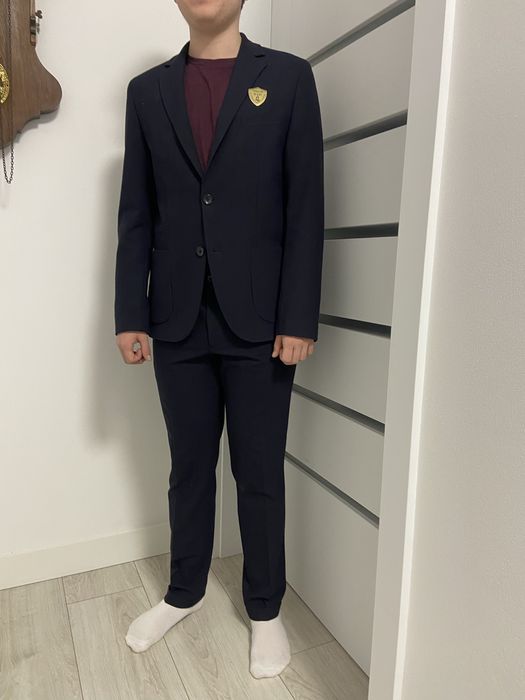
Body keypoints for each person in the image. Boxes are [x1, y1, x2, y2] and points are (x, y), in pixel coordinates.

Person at [114, 0, 324, 679]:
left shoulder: (288, 79)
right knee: (188, 467)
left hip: (261, 322)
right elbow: (136, 213)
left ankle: (264, 608)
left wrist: (298, 317)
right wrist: (129, 312)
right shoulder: (146, 93)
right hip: (175, 318)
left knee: (258, 471)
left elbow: (305, 207)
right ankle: (184, 590)